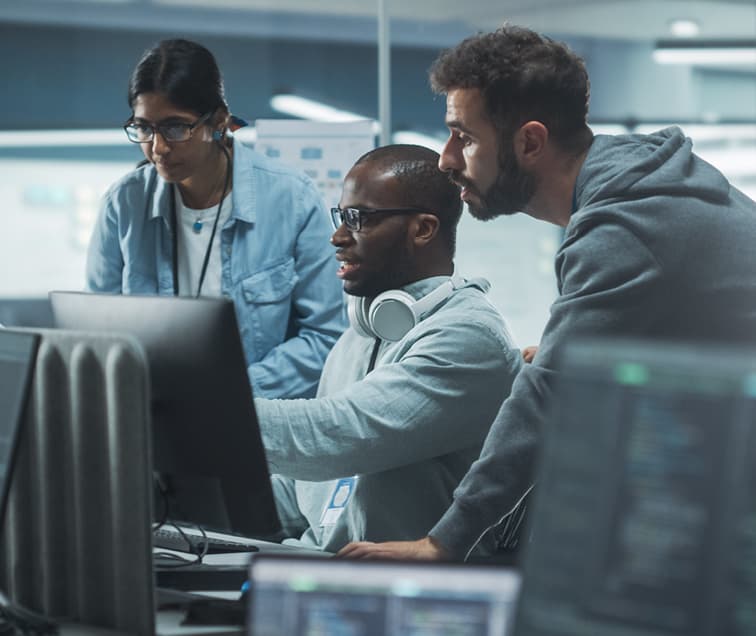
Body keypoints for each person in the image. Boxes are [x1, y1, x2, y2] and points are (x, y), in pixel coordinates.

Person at [338, 25, 756, 561]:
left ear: (530, 142)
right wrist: (579, 350)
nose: (445, 159)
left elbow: (545, 399)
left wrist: (441, 543)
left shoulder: (624, 226)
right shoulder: (631, 186)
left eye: (463, 136)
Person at [253, 144, 523, 553]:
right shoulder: (360, 335)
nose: (338, 237)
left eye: (359, 219)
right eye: (341, 217)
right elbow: (303, 492)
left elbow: (339, 435)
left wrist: (213, 420)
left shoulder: (469, 338)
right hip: (318, 565)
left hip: (407, 593)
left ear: (423, 229)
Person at [85, 38, 345, 399]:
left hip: (256, 424)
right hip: (152, 420)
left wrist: (229, 393)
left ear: (219, 121)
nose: (158, 148)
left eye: (175, 128)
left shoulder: (292, 199)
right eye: (144, 128)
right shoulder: (123, 204)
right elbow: (97, 335)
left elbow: (325, 337)